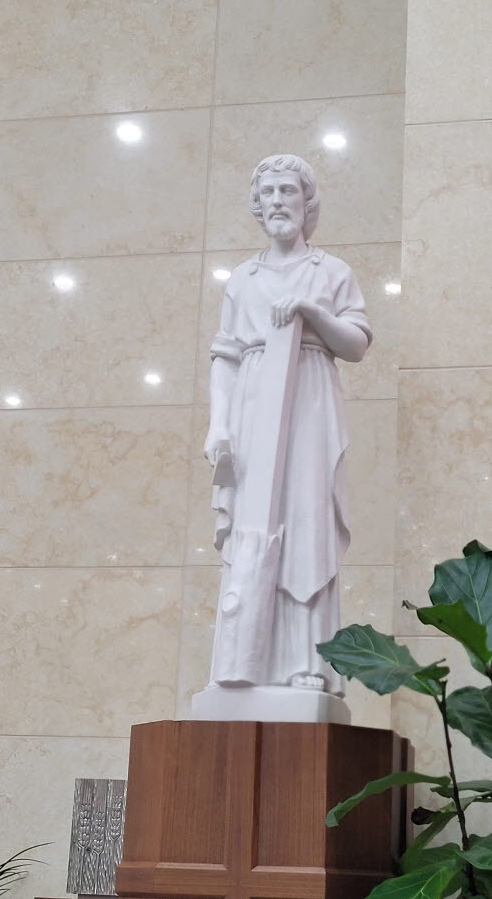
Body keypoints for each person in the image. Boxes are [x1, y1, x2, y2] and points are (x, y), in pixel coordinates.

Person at [204, 154, 372, 695]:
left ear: (306, 201)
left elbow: (357, 344)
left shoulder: (331, 272)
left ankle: (307, 662)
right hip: (253, 409)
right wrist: (218, 425)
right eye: (268, 192)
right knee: (251, 528)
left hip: (308, 407)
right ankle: (242, 658)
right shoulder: (243, 279)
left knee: (305, 523)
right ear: (258, 204)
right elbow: (225, 357)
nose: (277, 201)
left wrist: (313, 311)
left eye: (288, 191)